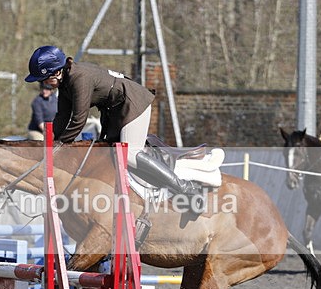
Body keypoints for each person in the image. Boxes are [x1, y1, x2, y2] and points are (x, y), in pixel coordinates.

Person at [24, 45, 202, 200]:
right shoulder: (65, 83)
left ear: (57, 71)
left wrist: (60, 147)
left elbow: (78, 119)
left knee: (130, 154)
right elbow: (62, 118)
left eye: (45, 79)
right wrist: (49, 144)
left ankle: (184, 187)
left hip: (133, 103)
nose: (44, 84)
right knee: (106, 154)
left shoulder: (79, 78)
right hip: (114, 111)